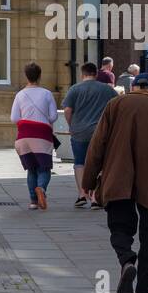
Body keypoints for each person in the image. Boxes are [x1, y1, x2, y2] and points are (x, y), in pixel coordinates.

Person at [82, 71, 148, 293]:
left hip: (118, 178)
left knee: (120, 227)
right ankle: (143, 289)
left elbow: (97, 146)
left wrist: (88, 181)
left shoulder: (115, 105)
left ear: (134, 87)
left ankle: (127, 260)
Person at [62, 62, 118, 208]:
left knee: (79, 162)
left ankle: (82, 194)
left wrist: (71, 126)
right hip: (100, 132)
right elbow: (117, 107)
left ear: (82, 74)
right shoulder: (107, 90)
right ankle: (95, 197)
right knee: (99, 163)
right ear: (96, 74)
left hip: (79, 132)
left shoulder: (75, 89)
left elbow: (67, 110)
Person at [11, 62, 58, 210]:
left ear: (26, 76)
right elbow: (53, 116)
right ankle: (41, 189)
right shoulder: (47, 93)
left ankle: (33, 201)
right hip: (42, 135)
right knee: (44, 168)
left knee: (31, 169)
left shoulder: (20, 95)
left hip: (24, 136)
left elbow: (14, 118)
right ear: (40, 76)